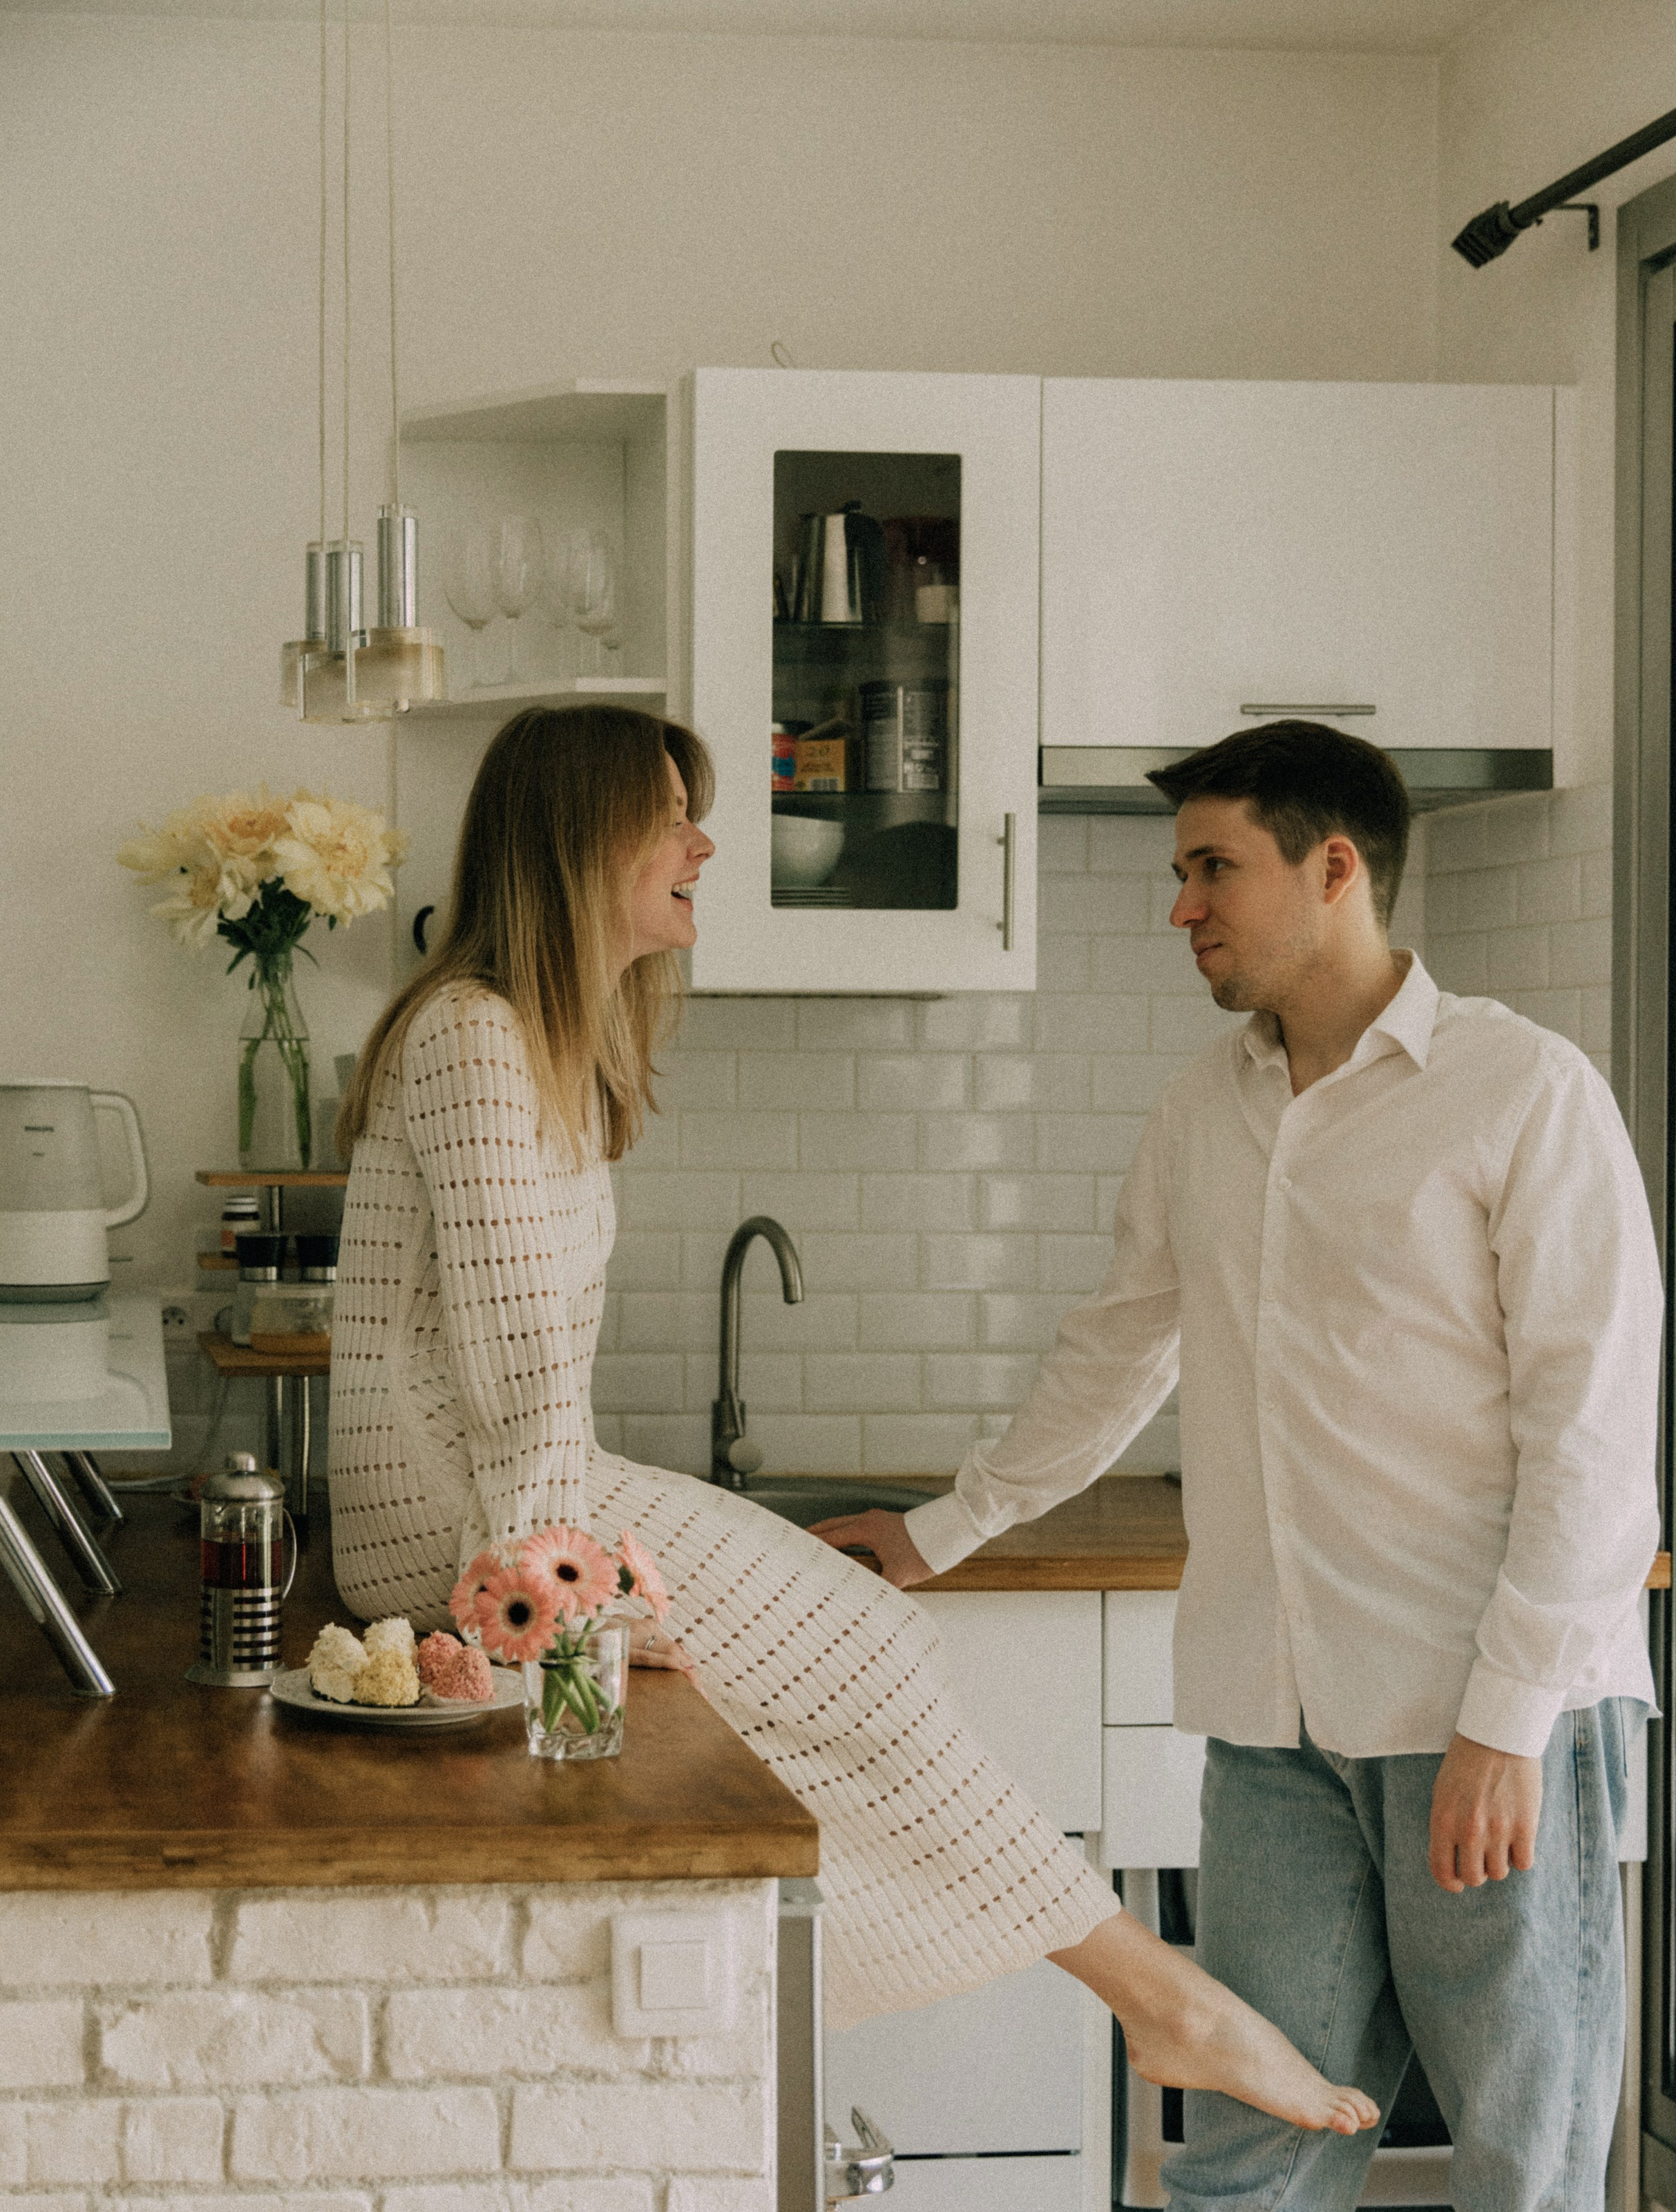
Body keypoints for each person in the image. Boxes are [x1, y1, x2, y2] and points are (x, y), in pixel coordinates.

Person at [818, 719, 1663, 2212]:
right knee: (1246, 2141)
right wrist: (947, 1528)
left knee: (1524, 2165)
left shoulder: (1524, 1093)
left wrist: (1508, 1716)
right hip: (1275, 1720)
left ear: (1333, 867)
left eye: (1213, 866)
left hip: (1488, 1724)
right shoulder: (1206, 1106)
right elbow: (1119, 1344)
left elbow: (1593, 1439)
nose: (1181, 904)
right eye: (1182, 869)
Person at [327, 702, 1375, 2139]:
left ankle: (1086, 2001)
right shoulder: (473, 1035)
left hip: (509, 1510)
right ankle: (1162, 1999)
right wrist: (564, 1615)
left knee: (842, 1698)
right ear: (579, 841)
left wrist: (588, 1598)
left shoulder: (531, 1042)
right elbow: (516, 1376)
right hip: (458, 1535)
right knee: (872, 1651)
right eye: (671, 819)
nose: (704, 846)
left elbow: (524, 1385)